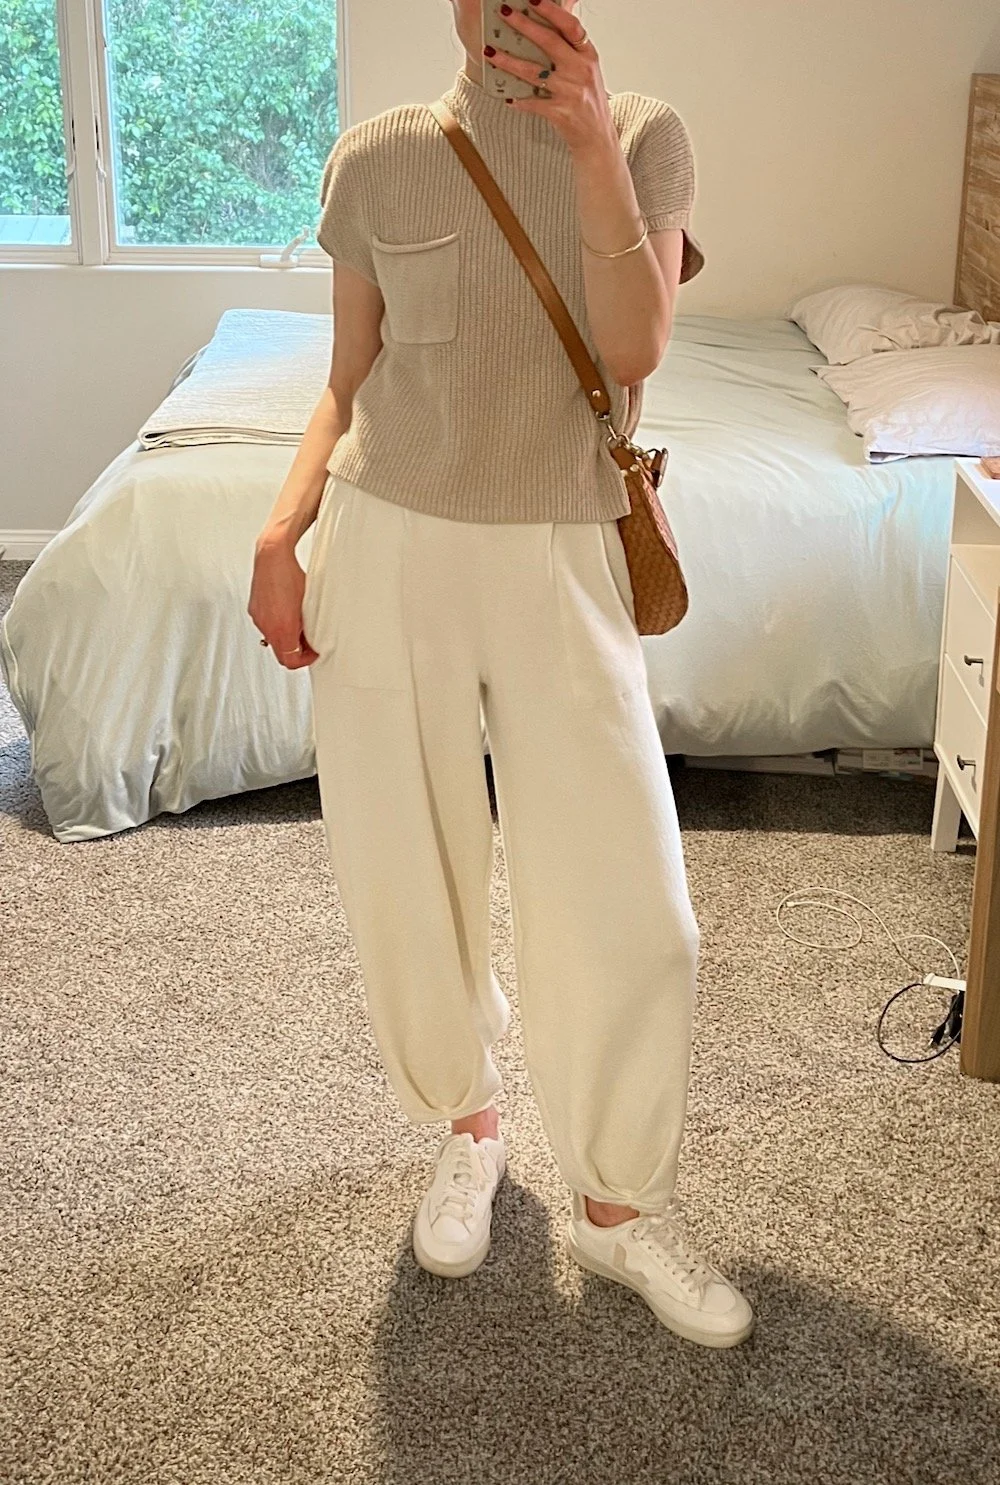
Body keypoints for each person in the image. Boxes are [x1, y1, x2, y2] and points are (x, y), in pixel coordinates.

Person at [248, 0, 754, 1349]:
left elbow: (634, 350)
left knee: (635, 907)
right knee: (405, 865)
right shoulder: (377, 158)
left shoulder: (642, 136)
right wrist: (282, 531)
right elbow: (348, 379)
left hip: (562, 548)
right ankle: (468, 1126)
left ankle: (618, 1208)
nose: (511, 12)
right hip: (389, 542)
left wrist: (587, 142)